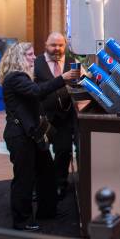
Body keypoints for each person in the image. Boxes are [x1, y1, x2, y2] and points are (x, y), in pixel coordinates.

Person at [0, 42, 78, 231]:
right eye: (30, 55)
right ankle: (22, 221)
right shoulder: (15, 77)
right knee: (24, 179)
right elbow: (37, 92)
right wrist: (63, 79)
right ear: (18, 57)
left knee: (46, 173)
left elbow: (37, 96)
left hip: (30, 135)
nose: (35, 58)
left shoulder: (22, 78)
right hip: (20, 136)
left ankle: (47, 211)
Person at [34, 32, 77, 200]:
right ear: (46, 45)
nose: (57, 49)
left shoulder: (73, 63)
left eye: (60, 45)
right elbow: (34, 89)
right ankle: (40, 186)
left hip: (64, 118)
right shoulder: (36, 63)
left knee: (63, 152)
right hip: (42, 118)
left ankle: (60, 184)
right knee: (39, 153)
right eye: (53, 45)